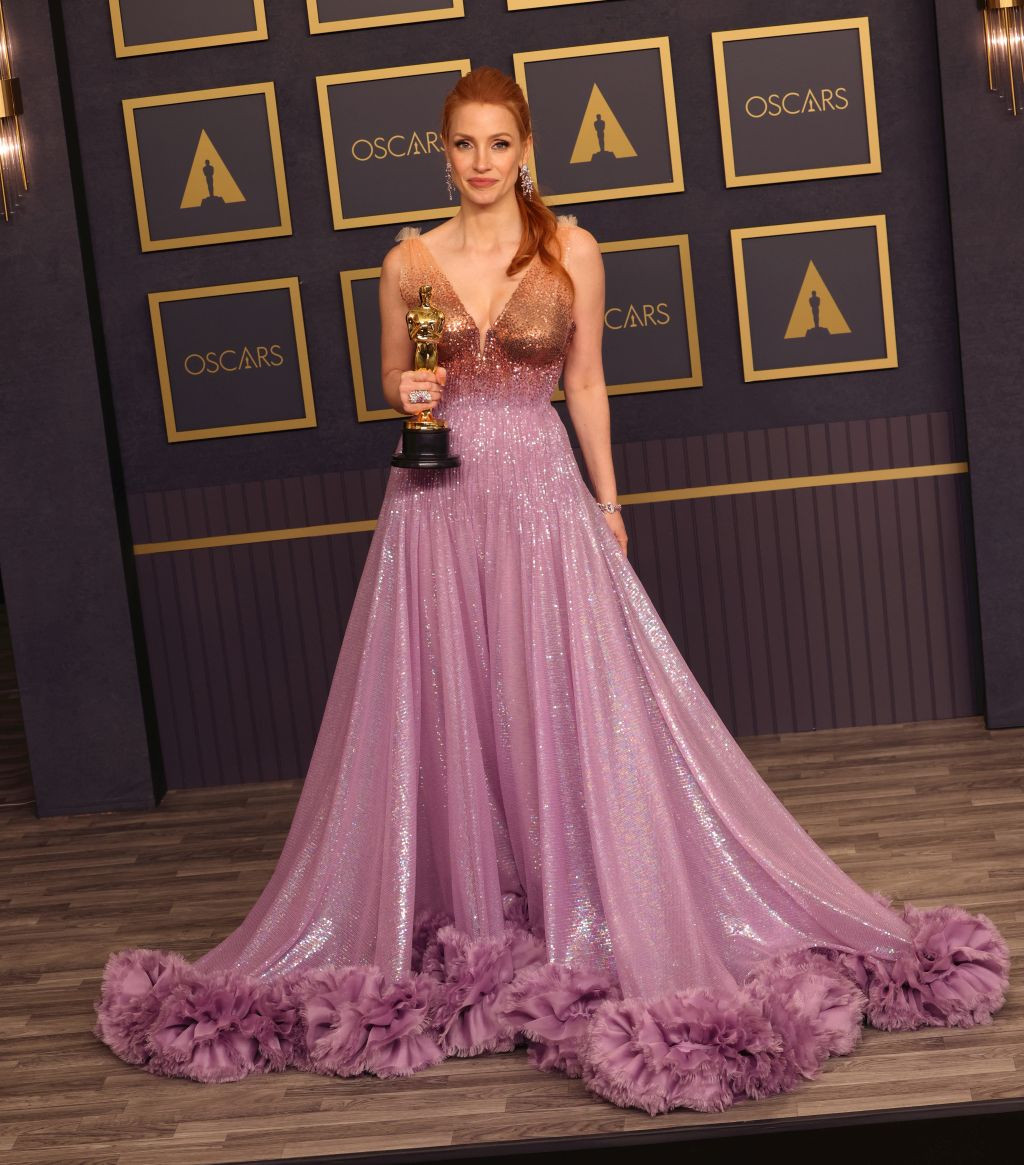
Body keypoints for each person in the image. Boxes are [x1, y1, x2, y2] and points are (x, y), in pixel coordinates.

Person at [94, 67, 1009, 1116]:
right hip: (434, 505)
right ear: (442, 152)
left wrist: (610, 503)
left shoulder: (571, 249)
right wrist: (407, 388)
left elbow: (584, 381)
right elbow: (387, 378)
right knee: (448, 705)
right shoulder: (405, 261)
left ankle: (580, 896)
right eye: (464, 144)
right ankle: (477, 910)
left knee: (560, 702)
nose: (481, 162)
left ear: (525, 150)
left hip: (539, 497)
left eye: (499, 143)